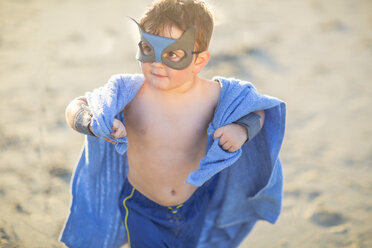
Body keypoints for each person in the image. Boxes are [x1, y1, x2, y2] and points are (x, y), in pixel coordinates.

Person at [60, 0, 286, 247]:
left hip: (196, 203)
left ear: (199, 61)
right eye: (147, 49)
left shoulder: (217, 97)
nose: (157, 62)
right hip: (141, 205)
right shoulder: (129, 93)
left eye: (172, 54)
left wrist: (241, 129)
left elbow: (260, 111)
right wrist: (92, 122)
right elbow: (76, 106)